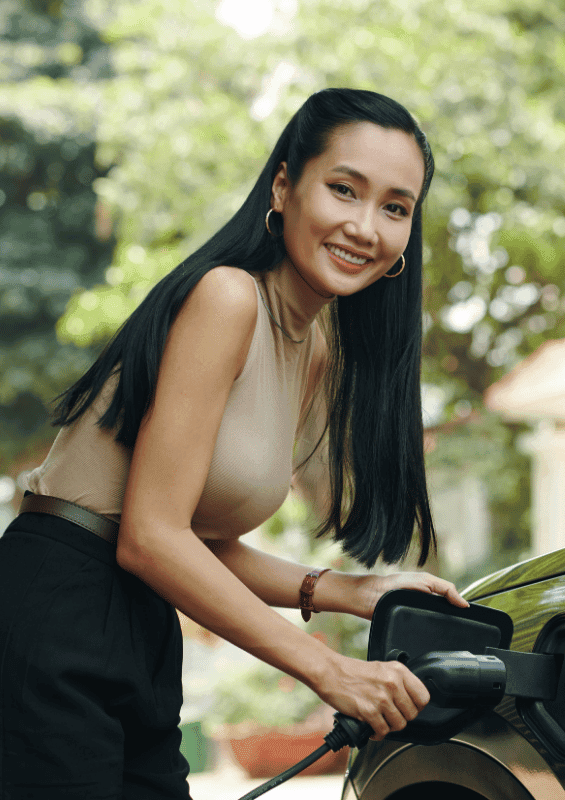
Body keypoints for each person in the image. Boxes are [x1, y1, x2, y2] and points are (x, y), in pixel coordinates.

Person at [0, 88, 468, 799]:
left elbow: (189, 540)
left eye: (395, 208)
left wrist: (351, 591)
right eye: (344, 189)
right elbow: (149, 538)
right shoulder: (227, 297)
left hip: (140, 620)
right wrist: (329, 669)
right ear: (283, 188)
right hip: (59, 604)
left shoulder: (312, 349)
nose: (365, 226)